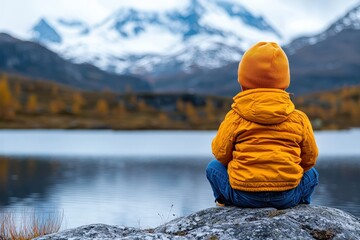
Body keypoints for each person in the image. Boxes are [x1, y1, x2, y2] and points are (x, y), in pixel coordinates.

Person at [206, 42, 319, 209]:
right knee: (312, 174)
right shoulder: (299, 118)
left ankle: (224, 202)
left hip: (243, 196)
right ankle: (302, 205)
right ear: (284, 82)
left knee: (213, 167)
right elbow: (310, 159)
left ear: (243, 82)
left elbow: (220, 154)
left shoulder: (235, 116)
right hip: (287, 197)